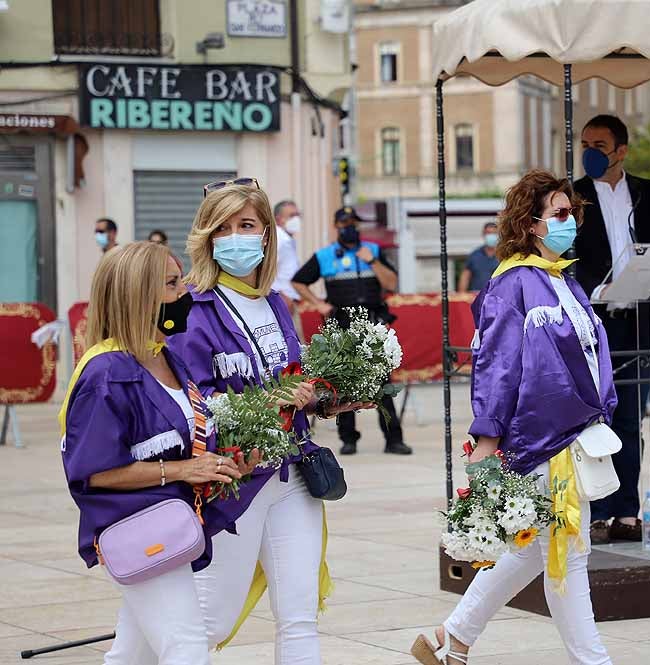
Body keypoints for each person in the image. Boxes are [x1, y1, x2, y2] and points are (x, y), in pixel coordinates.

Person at [410, 170, 616, 665]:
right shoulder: (514, 283)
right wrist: (487, 433)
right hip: (541, 439)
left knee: (535, 550)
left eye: (573, 214)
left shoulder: (561, 278)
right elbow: (497, 362)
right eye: (560, 214)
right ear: (532, 223)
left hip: (575, 433)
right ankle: (593, 661)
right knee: (569, 554)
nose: (570, 222)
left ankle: (451, 639)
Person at [167, 180, 361, 664]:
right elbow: (190, 401)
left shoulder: (276, 302)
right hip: (234, 482)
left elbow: (291, 377)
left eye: (247, 225)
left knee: (298, 615)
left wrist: (321, 397)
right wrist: (272, 399)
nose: (236, 237)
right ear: (208, 237)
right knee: (210, 620)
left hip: (292, 474)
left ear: (267, 234)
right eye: (224, 227)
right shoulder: (193, 306)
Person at [60, 241, 251, 665]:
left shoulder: (165, 357)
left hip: (173, 525)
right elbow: (93, 473)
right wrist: (184, 468)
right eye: (170, 283)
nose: (184, 291)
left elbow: (190, 440)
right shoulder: (105, 373)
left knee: (132, 656)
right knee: (186, 647)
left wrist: (222, 464)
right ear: (139, 295)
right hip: (138, 528)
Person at [573, 114, 650, 544]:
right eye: (585, 143)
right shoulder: (573, 196)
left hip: (637, 318)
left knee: (629, 417)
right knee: (593, 417)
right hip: (591, 321)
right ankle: (597, 511)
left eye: (599, 145)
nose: (590, 153)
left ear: (621, 150)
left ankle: (627, 511)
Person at [292, 206, 413, 456]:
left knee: (382, 385)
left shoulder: (374, 251)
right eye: (345, 224)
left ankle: (393, 439)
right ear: (336, 227)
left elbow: (391, 283)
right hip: (341, 326)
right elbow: (298, 281)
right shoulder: (325, 256)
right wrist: (318, 303)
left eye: (354, 224)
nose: (350, 228)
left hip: (372, 326)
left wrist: (371, 260)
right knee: (342, 384)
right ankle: (348, 439)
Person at [272, 199, 303, 315]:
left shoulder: (287, 238)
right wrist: (281, 296)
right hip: (282, 301)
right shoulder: (278, 239)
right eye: (292, 216)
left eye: (297, 215)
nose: (296, 219)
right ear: (278, 219)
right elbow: (266, 269)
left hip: (290, 300)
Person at [458, 222, 500, 292]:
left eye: (494, 233)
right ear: (483, 234)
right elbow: (465, 277)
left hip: (497, 297)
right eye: (488, 233)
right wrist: (461, 294)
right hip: (477, 296)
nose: (491, 236)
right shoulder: (474, 255)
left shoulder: (504, 256)